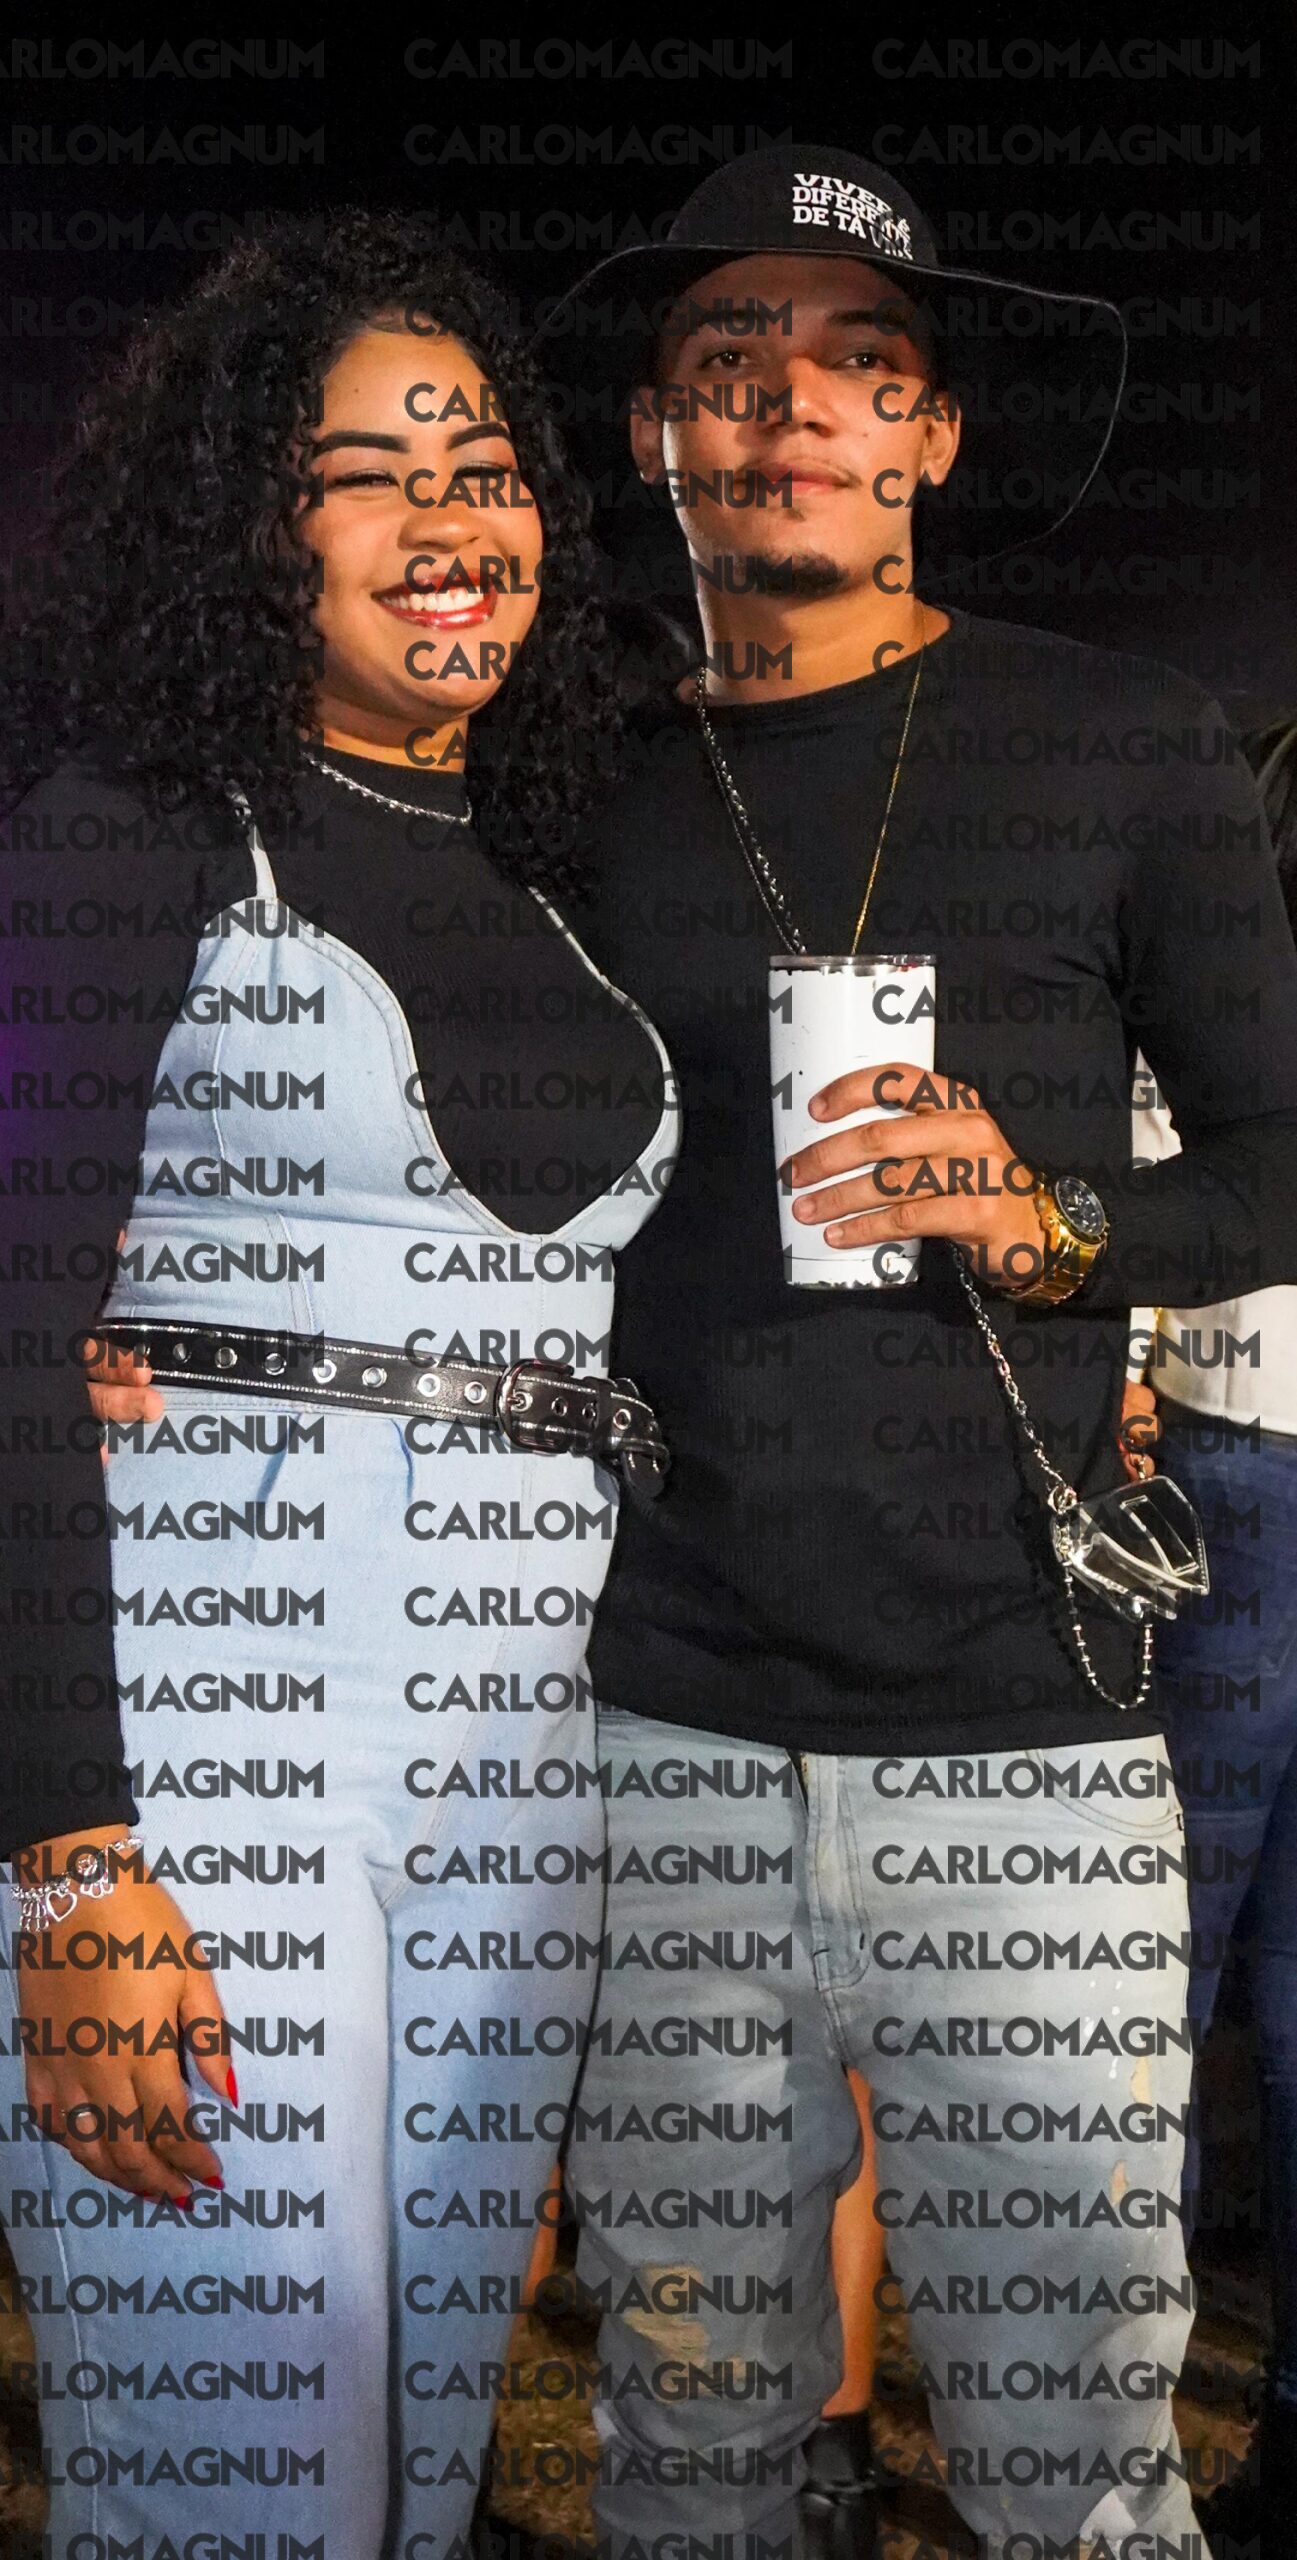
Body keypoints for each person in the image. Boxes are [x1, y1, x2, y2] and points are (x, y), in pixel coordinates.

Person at [528, 145, 1297, 2560]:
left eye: (856, 365)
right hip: (654, 1728)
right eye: (724, 361)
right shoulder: (556, 776)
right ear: (654, 429)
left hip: (1024, 1739)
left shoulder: (1123, 742)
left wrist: (1052, 1221)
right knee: (689, 2448)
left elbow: (1277, 1156)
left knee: (1077, 2469)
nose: (788, 408)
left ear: (932, 436)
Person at [0, 210, 678, 2560]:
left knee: (411, 2484)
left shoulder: (564, 872)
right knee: (243, 2493)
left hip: (519, 1777)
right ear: (252, 525)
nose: (445, 517)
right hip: (203, 1732)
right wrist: (77, 1856)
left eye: (483, 462)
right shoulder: (131, 833)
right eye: (367, 472)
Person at [1122, 712, 1297, 2555]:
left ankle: (1129, 2447)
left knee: (1150, 1995)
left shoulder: (1206, 966)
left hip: (1240, 1466)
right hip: (1229, 1472)